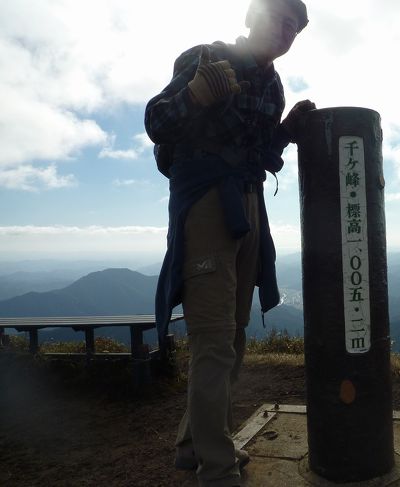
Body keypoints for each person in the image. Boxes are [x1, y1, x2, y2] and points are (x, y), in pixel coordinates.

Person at [144, 1, 314, 485]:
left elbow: (259, 153)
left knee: (233, 337)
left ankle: (191, 444)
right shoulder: (203, 58)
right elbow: (157, 121)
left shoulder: (272, 85)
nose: (288, 33)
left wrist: (284, 132)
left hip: (248, 204)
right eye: (282, 19)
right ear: (250, 16)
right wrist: (195, 94)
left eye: (296, 29)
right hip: (206, 205)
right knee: (214, 340)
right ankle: (217, 469)